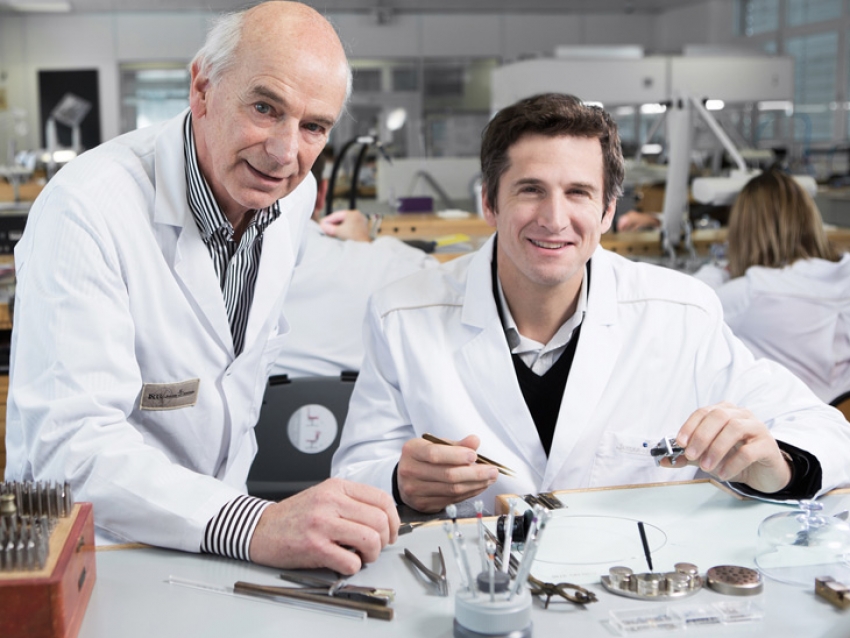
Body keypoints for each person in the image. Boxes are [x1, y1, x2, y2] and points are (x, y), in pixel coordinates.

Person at [5, 1, 398, 575]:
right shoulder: (85, 208)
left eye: (313, 126)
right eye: (266, 108)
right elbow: (70, 451)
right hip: (105, 549)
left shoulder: (292, 199)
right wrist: (254, 523)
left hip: (223, 547)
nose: (286, 153)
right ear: (203, 87)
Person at [331, 93, 850, 514]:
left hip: (630, 593)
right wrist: (399, 482)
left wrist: (778, 465)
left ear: (607, 210)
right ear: (489, 202)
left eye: (578, 192)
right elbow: (355, 471)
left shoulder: (682, 313)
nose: (554, 219)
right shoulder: (400, 315)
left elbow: (825, 429)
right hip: (473, 588)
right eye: (530, 190)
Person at [272, 155, 437, 379]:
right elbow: (449, 294)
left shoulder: (223, 273)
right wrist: (363, 243)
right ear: (321, 194)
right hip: (363, 410)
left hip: (265, 412)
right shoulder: (387, 265)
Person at [693, 170, 850, 404]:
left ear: (743, 230)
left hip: (789, 432)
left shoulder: (752, 292)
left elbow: (690, 303)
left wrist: (720, 268)